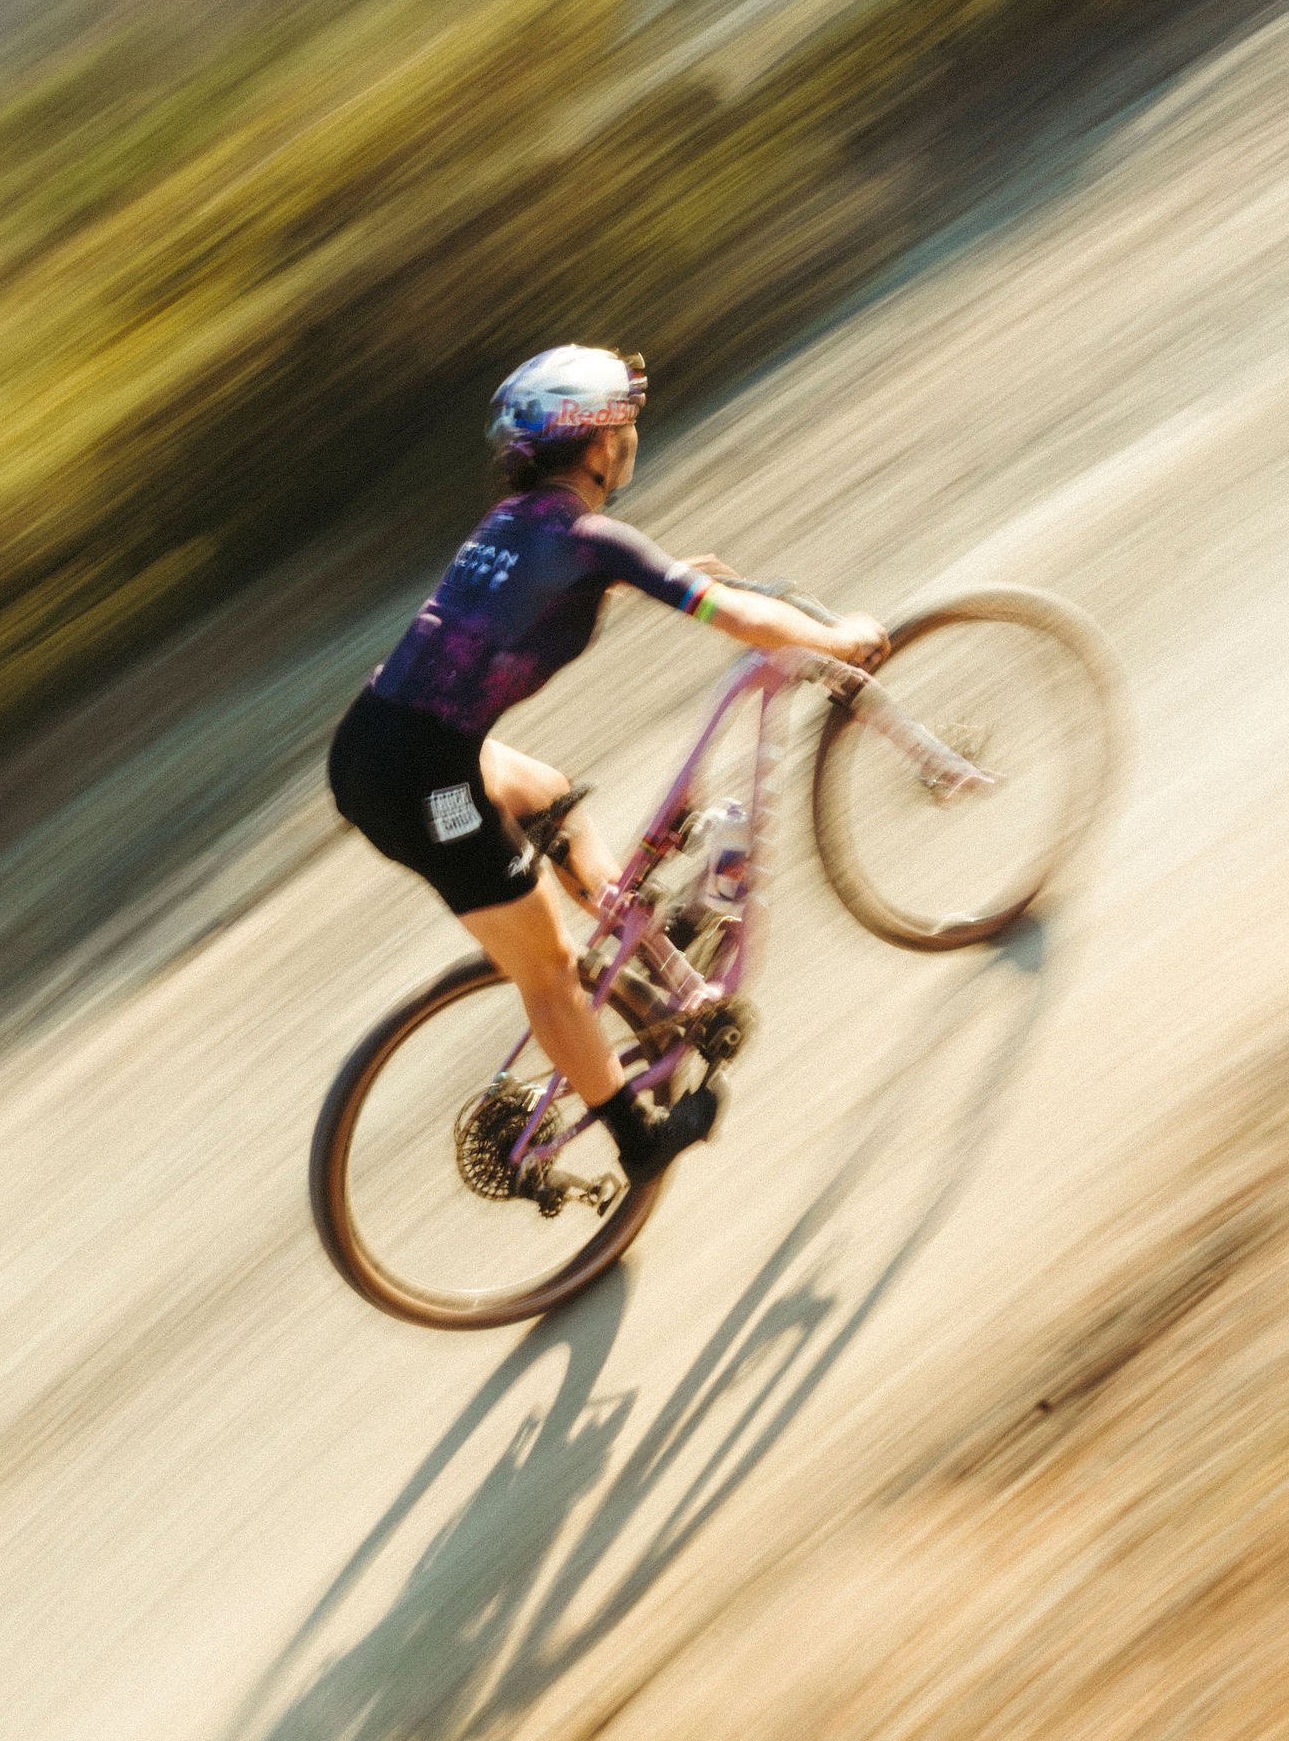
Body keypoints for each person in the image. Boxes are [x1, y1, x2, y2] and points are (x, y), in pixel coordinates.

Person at [328, 345, 888, 1176]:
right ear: (599, 443)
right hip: (424, 778)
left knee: (550, 800)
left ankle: (643, 962)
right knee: (549, 971)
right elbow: (737, 621)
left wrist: (647, 578)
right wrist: (838, 637)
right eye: (623, 425)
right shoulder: (592, 538)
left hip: (377, 740)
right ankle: (639, 1138)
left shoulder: (515, 523)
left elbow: (521, 596)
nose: (629, 439)